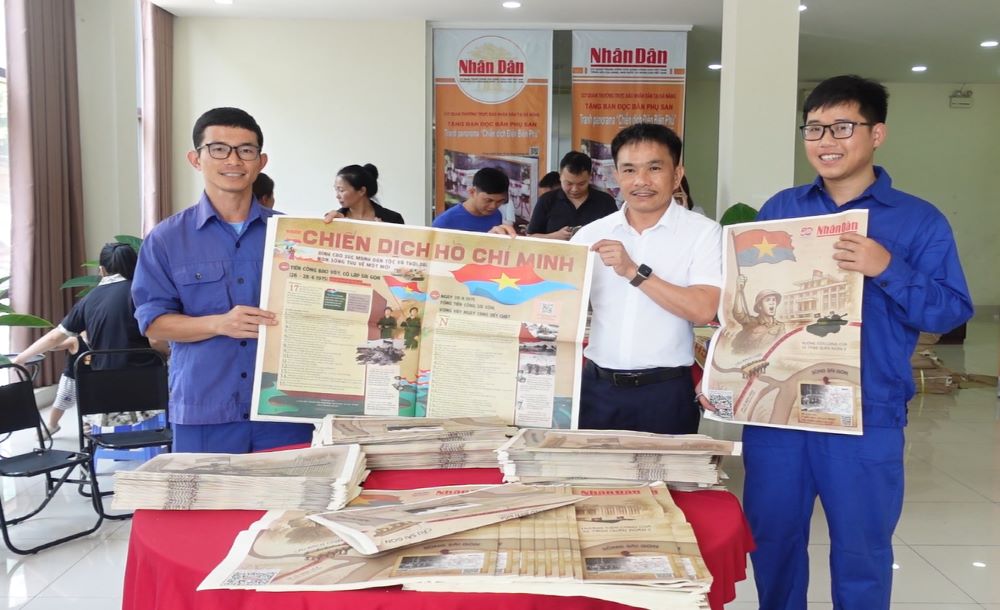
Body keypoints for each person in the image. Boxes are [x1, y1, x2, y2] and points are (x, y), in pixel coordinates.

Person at [701, 75, 973, 610]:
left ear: (877, 134)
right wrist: (725, 375)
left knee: (862, 550)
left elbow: (950, 310)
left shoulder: (918, 220)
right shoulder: (782, 209)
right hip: (779, 414)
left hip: (866, 412)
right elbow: (745, 304)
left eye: (842, 127)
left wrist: (887, 266)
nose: (826, 140)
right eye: (814, 128)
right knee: (773, 543)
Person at [132, 107, 314, 454]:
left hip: (285, 410)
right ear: (196, 159)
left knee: (295, 492)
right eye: (218, 149)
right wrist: (219, 324)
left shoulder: (295, 236)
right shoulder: (166, 239)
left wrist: (341, 240)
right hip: (205, 410)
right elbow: (153, 323)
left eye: (245, 150)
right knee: (206, 492)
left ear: (260, 162)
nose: (233, 160)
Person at [571, 123, 722, 435]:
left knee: (669, 470)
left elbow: (703, 309)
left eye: (654, 168)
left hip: (666, 394)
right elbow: (552, 303)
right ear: (616, 176)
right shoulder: (590, 234)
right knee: (595, 469)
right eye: (629, 170)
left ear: (677, 174)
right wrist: (505, 250)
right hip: (597, 392)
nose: (641, 181)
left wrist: (633, 271)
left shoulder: (703, 233)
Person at [14, 243, 161, 435]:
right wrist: (165, 354)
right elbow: (156, 341)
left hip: (104, 394)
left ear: (102, 270)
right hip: (147, 391)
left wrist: (21, 358)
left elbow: (54, 337)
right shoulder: (142, 293)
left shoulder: (89, 300)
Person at [528, 151, 618, 240]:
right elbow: (530, 237)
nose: (574, 189)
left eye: (581, 184)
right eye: (569, 183)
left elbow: (617, 236)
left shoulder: (606, 202)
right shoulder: (546, 200)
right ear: (560, 176)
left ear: (590, 177)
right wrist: (554, 236)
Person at [432, 167, 516, 236]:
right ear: (472, 192)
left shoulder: (496, 215)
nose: (493, 206)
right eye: (488, 200)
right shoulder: (445, 222)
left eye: (500, 201)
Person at [325, 163, 404, 224]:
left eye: (341, 190)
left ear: (362, 191)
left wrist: (383, 233)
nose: (337, 196)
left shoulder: (393, 219)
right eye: (336, 190)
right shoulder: (335, 219)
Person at [731, 275, 786, 353]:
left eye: (774, 300)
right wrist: (739, 291)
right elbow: (738, 314)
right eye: (768, 300)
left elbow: (781, 347)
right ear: (760, 306)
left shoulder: (780, 326)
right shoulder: (751, 321)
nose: (772, 303)